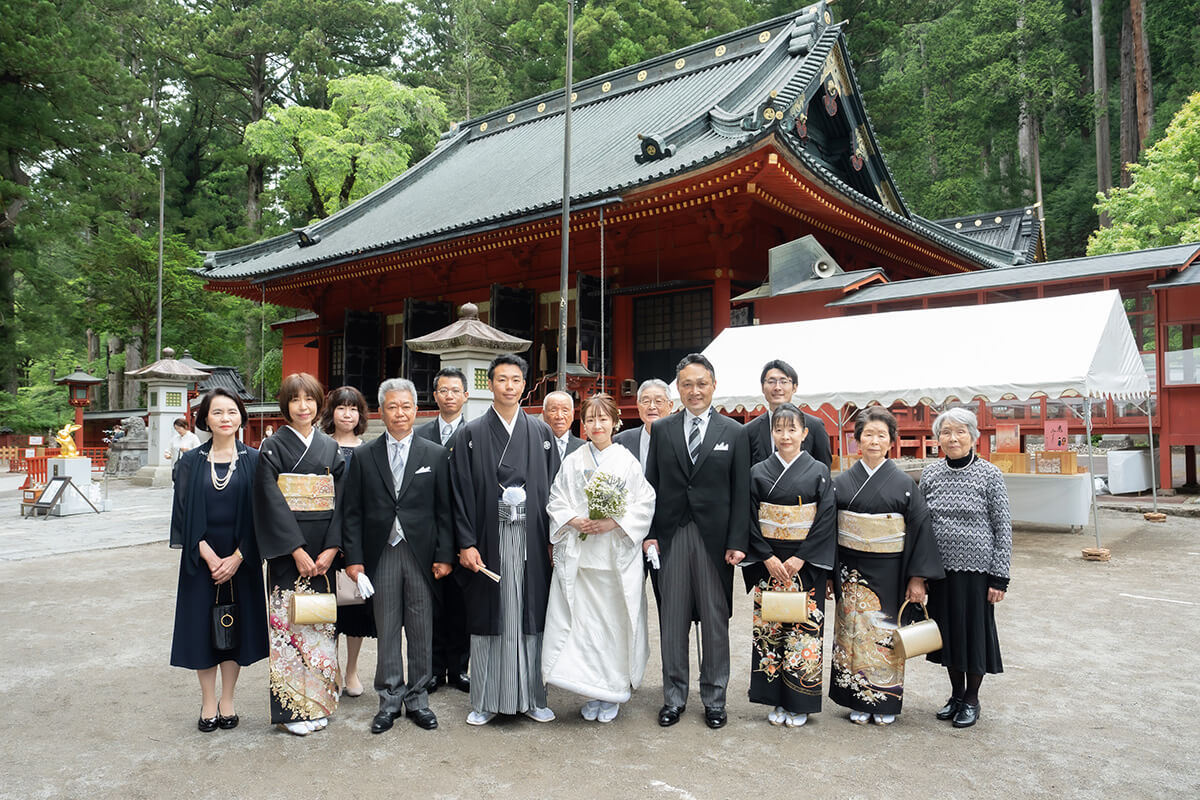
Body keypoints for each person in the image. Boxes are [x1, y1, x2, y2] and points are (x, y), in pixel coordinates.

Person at [451, 354, 560, 725]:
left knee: (531, 613)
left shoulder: (542, 434)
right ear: (490, 384)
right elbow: (460, 493)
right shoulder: (470, 434)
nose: (509, 386)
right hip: (487, 537)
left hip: (532, 538)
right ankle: (485, 699)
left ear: (524, 385)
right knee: (489, 615)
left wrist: (553, 538)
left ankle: (533, 697)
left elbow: (556, 491)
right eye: (501, 379)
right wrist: (466, 542)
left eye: (515, 379)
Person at [342, 379, 454, 734]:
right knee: (387, 628)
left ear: (416, 409)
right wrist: (354, 559)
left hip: (422, 554)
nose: (400, 413)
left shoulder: (434, 454)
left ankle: (418, 699)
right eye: (392, 406)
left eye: (406, 406)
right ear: (381, 411)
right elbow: (352, 512)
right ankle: (389, 699)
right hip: (382, 553)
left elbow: (445, 511)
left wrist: (445, 555)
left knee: (421, 629)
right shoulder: (364, 455)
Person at [646, 353, 750, 730]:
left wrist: (738, 540)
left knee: (714, 621)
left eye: (701, 383)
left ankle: (714, 698)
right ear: (678, 388)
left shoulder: (734, 432)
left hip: (715, 540)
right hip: (672, 534)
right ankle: (674, 697)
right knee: (672, 621)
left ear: (714, 386)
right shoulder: (663, 429)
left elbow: (741, 492)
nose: (694, 391)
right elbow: (651, 485)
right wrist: (650, 534)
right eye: (687, 384)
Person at [543, 393, 656, 723]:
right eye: (590, 419)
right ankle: (593, 691)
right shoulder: (574, 460)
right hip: (582, 558)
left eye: (603, 419)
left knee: (613, 626)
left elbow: (644, 503)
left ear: (615, 422)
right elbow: (556, 498)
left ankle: (614, 691)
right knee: (585, 628)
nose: (596, 425)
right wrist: (574, 520)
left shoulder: (626, 461)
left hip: (614, 559)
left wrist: (613, 522)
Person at [830, 406, 944, 726]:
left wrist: (917, 578)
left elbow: (920, 529)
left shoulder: (905, 484)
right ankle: (855, 698)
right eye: (868, 434)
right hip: (850, 570)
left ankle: (884, 700)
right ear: (857, 440)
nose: (874, 441)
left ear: (891, 442)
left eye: (881, 435)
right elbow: (827, 530)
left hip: (891, 571)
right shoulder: (841, 483)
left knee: (884, 633)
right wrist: (828, 573)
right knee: (852, 633)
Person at [253, 372, 346, 736]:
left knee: (320, 626)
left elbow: (344, 500)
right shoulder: (272, 447)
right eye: (295, 400)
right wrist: (295, 549)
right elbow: (269, 501)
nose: (303, 407)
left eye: (309, 399)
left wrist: (333, 547)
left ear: (319, 403)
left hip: (323, 552)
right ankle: (292, 710)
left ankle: (318, 704)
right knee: (287, 628)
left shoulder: (330, 448)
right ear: (285, 405)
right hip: (287, 553)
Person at [169, 388, 266, 732]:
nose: (226, 418)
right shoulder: (189, 463)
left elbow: (264, 516)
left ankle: (228, 699)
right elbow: (181, 515)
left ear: (241, 417)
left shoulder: (256, 460)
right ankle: (208, 700)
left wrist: (238, 557)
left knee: (235, 630)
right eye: (218, 412)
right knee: (202, 630)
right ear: (205, 419)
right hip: (202, 560)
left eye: (232, 412)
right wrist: (208, 554)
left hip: (242, 558)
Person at [743, 403, 836, 728]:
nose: (785, 435)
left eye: (792, 429)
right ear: (772, 433)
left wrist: (801, 557)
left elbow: (826, 517)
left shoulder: (818, 471)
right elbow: (748, 517)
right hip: (769, 562)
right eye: (779, 429)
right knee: (770, 633)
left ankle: (799, 702)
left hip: (804, 564)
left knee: (802, 634)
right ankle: (774, 699)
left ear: (804, 433)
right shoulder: (758, 471)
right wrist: (766, 557)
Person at [919, 407, 1011, 729]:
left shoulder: (989, 474)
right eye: (946, 432)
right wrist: (919, 571)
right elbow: (921, 525)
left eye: (960, 431)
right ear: (938, 438)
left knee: (973, 636)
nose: (953, 438)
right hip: (939, 572)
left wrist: (1000, 577)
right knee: (947, 635)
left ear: (974, 437)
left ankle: (972, 699)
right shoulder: (930, 475)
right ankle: (956, 695)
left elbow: (1003, 527)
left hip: (978, 574)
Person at [415, 367, 471, 695]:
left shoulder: (475, 433)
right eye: (443, 390)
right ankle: (433, 669)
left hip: (463, 531)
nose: (449, 396)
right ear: (434, 395)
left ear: (466, 395)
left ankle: (459, 668)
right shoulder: (420, 434)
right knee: (430, 605)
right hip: (428, 532)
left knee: (461, 604)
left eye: (455, 390)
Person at [319, 385, 374, 698]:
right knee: (327, 609)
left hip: (359, 542)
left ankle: (351, 669)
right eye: (341, 407)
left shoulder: (369, 450)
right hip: (325, 541)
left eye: (353, 408)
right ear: (331, 412)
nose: (347, 414)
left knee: (355, 609)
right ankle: (333, 668)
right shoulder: (321, 447)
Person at [613, 378, 672, 608]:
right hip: (629, 534)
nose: (652, 406)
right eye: (645, 401)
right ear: (637, 406)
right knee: (626, 601)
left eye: (658, 401)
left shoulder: (678, 440)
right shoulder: (621, 441)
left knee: (668, 602)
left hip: (667, 535)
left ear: (670, 406)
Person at [744, 360, 832, 469]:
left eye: (784, 381)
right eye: (771, 381)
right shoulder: (749, 430)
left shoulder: (814, 426)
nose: (777, 387)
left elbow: (824, 470)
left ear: (794, 387)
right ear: (762, 387)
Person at [544, 390, 584, 463]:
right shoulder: (533, 445)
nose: (559, 416)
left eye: (565, 410)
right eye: (553, 410)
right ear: (544, 414)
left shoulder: (584, 448)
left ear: (572, 414)